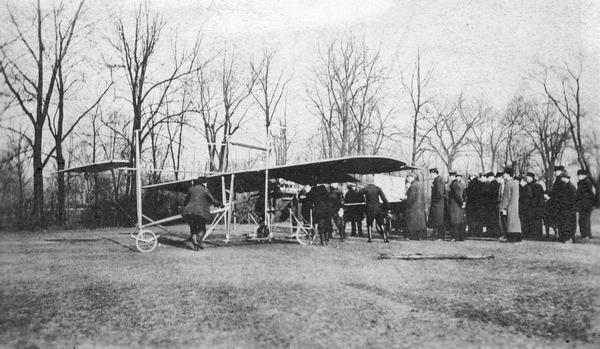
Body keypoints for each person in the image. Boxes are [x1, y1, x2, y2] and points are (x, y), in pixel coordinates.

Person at [182, 179, 223, 251]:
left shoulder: (191, 190)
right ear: (203, 184)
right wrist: (220, 204)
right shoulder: (205, 190)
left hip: (188, 212)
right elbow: (212, 200)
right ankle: (198, 240)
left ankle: (195, 245)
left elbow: (185, 202)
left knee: (193, 228)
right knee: (202, 229)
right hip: (200, 213)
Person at [361, 176, 390, 243]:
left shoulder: (365, 189)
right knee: (381, 223)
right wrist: (388, 206)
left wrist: (364, 200)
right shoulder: (378, 188)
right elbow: (384, 198)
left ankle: (370, 238)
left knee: (369, 223)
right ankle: (385, 238)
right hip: (378, 208)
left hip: (369, 208)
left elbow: (359, 194)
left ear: (367, 180)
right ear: (373, 180)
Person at [499, 168, 521, 242]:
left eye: (504, 174)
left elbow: (506, 197)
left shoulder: (508, 184)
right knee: (515, 222)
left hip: (509, 207)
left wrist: (503, 208)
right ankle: (517, 237)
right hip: (515, 205)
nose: (503, 175)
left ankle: (509, 237)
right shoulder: (515, 183)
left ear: (508, 174)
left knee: (508, 222)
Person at [544, 165, 565, 238]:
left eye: (556, 171)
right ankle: (559, 234)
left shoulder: (561, 180)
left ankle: (560, 234)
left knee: (558, 219)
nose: (555, 173)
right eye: (555, 171)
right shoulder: (558, 179)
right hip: (557, 203)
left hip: (559, 203)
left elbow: (559, 192)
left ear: (560, 171)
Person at [555, 173, 577, 243]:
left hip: (569, 209)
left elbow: (574, 199)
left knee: (569, 224)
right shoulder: (565, 186)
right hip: (564, 209)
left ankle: (569, 238)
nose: (561, 179)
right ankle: (563, 237)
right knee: (564, 224)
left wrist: (569, 207)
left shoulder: (571, 186)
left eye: (562, 178)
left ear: (565, 178)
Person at [404, 173, 427, 240]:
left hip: (413, 207)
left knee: (413, 223)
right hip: (420, 206)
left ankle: (413, 236)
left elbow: (411, 198)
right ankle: (420, 236)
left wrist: (406, 202)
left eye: (409, 177)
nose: (408, 179)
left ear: (413, 178)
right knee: (419, 223)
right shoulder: (420, 184)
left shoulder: (413, 186)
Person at [576, 169, 595, 241]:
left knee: (585, 220)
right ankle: (585, 235)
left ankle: (586, 235)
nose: (579, 176)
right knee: (582, 220)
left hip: (586, 205)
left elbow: (591, 194)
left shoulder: (587, 183)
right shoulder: (580, 183)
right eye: (578, 175)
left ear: (584, 176)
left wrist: (591, 204)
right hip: (582, 205)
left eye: (580, 175)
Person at [526, 172, 545, 239]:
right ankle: (534, 234)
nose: (527, 178)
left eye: (528, 177)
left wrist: (532, 203)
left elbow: (537, 197)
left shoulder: (536, 186)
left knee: (536, 221)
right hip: (534, 206)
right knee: (533, 221)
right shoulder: (531, 185)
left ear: (532, 178)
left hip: (536, 207)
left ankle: (536, 234)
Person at [428, 168, 446, 240]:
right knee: (436, 220)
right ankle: (436, 235)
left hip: (438, 204)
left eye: (431, 174)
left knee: (439, 220)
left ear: (434, 173)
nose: (431, 175)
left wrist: (435, 201)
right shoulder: (437, 180)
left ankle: (440, 236)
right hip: (438, 204)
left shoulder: (438, 180)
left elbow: (440, 193)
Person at [448, 171, 466, 241]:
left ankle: (455, 237)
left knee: (454, 222)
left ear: (453, 176)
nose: (449, 178)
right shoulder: (461, 184)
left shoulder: (454, 184)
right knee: (460, 221)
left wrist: (461, 203)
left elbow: (457, 195)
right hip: (460, 205)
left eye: (450, 176)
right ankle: (461, 237)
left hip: (455, 205)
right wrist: (464, 203)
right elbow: (464, 195)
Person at [494, 172, 506, 237]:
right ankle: (502, 233)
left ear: (501, 177)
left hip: (502, 204)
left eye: (498, 178)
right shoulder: (501, 185)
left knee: (502, 220)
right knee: (500, 220)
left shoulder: (504, 185)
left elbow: (503, 196)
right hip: (500, 203)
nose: (497, 180)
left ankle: (504, 234)